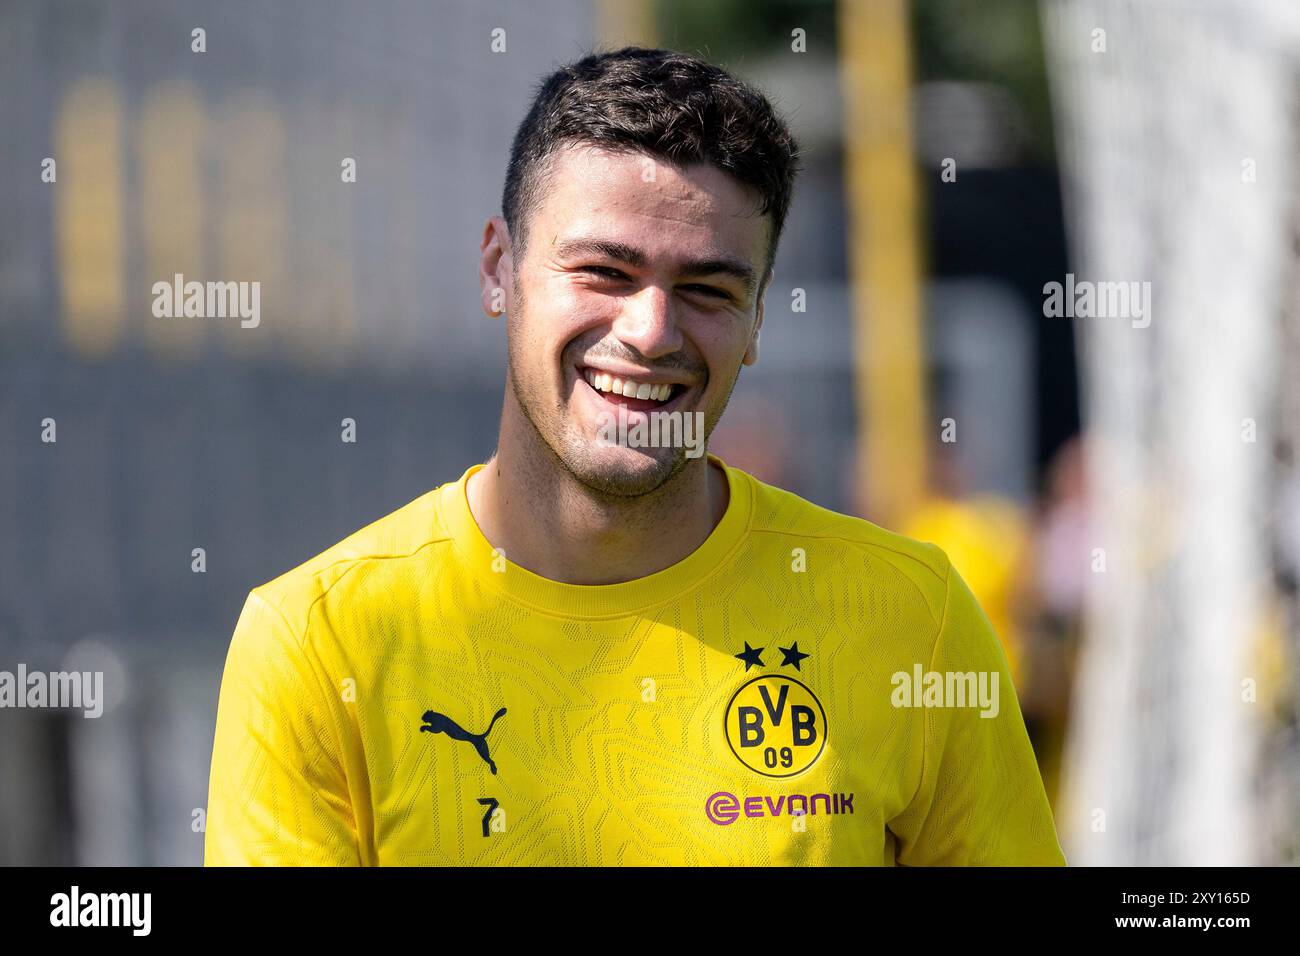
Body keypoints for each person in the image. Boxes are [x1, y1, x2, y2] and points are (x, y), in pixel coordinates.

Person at [205, 46, 1065, 866]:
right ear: (500, 269)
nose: (650, 332)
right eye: (605, 272)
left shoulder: (915, 619)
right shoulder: (319, 644)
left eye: (706, 289)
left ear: (758, 319)